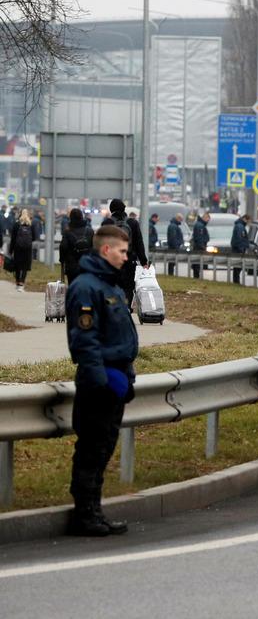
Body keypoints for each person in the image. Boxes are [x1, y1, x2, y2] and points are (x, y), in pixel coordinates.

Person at [65, 224, 138, 536]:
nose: (126, 257)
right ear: (106, 250)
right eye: (121, 251)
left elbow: (121, 337)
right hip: (99, 385)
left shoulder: (111, 286)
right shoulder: (86, 287)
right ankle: (84, 513)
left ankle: (95, 510)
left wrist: (126, 378)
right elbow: (85, 341)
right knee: (92, 450)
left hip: (115, 381)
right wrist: (102, 381)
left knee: (103, 448)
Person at [101, 199, 148, 305]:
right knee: (128, 286)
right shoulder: (133, 223)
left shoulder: (106, 223)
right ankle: (126, 307)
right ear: (124, 208)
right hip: (129, 259)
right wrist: (144, 261)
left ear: (111, 209)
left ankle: (114, 307)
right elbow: (139, 243)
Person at [59, 208, 94, 284]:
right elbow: (94, 247)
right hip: (87, 265)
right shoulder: (89, 231)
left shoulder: (67, 232)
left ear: (70, 218)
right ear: (82, 217)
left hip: (72, 266)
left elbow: (63, 247)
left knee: (72, 286)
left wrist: (62, 260)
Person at [7, 209, 34, 291]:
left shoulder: (16, 224)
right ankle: (22, 282)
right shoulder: (30, 224)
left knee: (17, 265)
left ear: (20, 214)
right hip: (27, 248)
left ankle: (18, 282)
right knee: (25, 266)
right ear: (28, 214)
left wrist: (10, 250)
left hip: (17, 247)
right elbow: (35, 236)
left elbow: (13, 238)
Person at [231, 213, 249, 284]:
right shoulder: (240, 227)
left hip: (237, 249)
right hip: (238, 250)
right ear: (245, 219)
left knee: (237, 267)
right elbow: (240, 239)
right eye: (247, 221)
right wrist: (241, 249)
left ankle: (236, 281)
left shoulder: (239, 226)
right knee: (237, 267)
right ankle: (236, 281)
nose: (247, 223)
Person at [191, 212, 210, 279]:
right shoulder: (200, 226)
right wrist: (202, 247)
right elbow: (199, 238)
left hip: (198, 248)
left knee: (197, 264)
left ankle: (196, 276)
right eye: (208, 219)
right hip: (198, 249)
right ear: (205, 218)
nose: (208, 221)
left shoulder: (200, 224)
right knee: (197, 264)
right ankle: (196, 277)